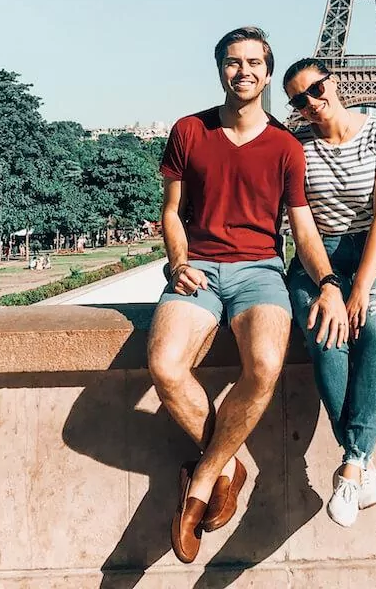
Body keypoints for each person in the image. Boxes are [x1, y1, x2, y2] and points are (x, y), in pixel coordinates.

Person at [147, 28, 348, 564]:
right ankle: (230, 467)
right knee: (166, 367)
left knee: (263, 365)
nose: (244, 72)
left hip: (260, 270)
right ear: (220, 69)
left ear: (267, 71)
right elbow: (171, 211)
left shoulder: (285, 145)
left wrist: (328, 282)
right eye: (234, 62)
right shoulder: (189, 131)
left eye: (255, 63)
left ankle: (201, 480)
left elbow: (303, 230)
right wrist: (179, 261)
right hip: (200, 270)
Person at [283, 58, 376, 527]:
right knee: (325, 334)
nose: (311, 103)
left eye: (316, 89)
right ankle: (359, 463)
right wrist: (328, 285)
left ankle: (353, 461)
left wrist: (359, 289)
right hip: (319, 260)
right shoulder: (294, 146)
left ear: (334, 82)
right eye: (298, 100)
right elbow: (301, 227)